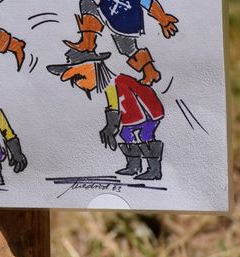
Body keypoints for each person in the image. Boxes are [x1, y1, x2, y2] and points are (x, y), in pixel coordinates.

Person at [47, 48, 165, 181]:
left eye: (79, 77)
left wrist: (111, 127)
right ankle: (134, 166)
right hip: (133, 117)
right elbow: (114, 107)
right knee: (126, 134)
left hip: (148, 113)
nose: (78, 83)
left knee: (145, 135)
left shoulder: (115, 83)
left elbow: (115, 106)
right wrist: (111, 126)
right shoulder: (110, 86)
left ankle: (154, 170)